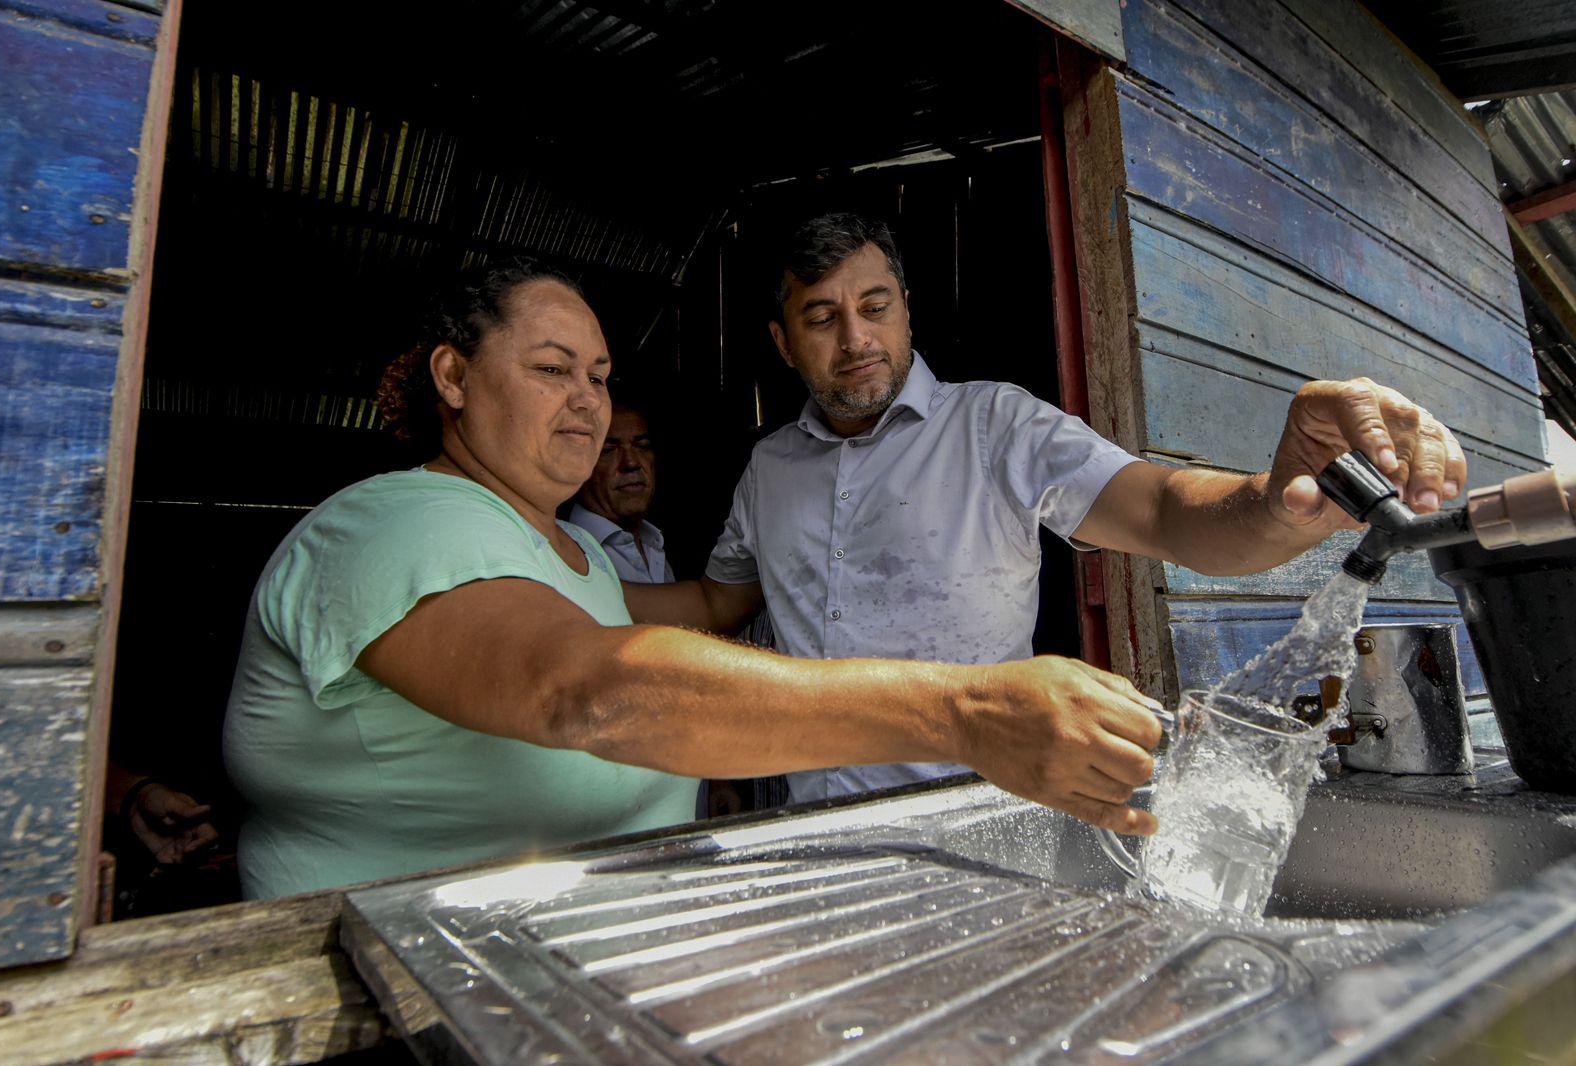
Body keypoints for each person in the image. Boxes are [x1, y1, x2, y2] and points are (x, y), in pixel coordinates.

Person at [221, 258, 1174, 899]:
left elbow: (709, 610)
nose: (588, 401)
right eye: (554, 369)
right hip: (385, 978)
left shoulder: (578, 555)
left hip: (570, 960)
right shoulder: (391, 525)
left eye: (598, 375)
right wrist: (961, 711)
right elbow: (585, 687)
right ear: (454, 377)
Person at [623, 212, 1468, 805]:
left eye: (875, 308)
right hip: (808, 821)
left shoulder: (996, 425)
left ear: (906, 311)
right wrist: (554, 566)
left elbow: (1166, 513)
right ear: (781, 342)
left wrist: (1276, 498)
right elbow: (715, 603)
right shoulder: (770, 466)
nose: (856, 341)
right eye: (822, 317)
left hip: (976, 819)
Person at [567, 397, 674, 584]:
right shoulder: (566, 551)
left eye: (643, 446)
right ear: (578, 464)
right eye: (608, 450)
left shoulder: (653, 542)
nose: (631, 462)